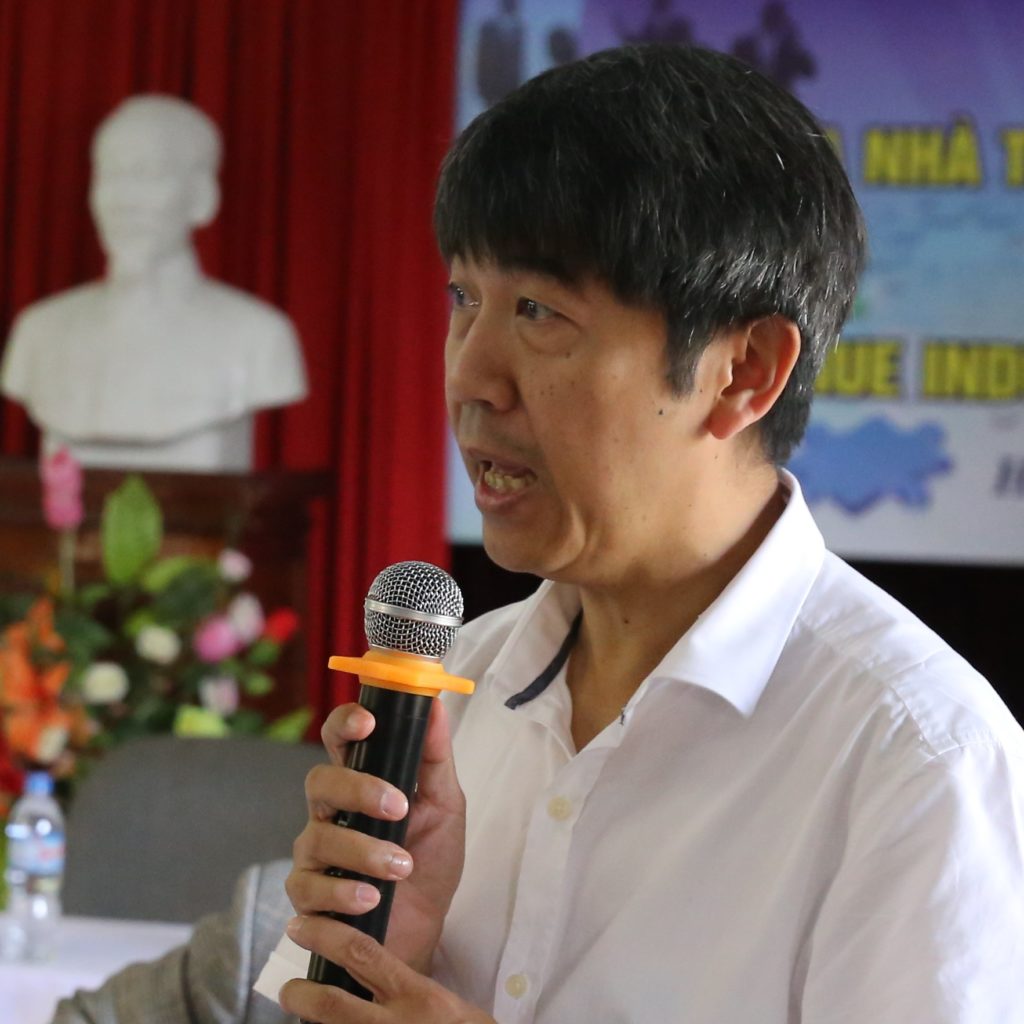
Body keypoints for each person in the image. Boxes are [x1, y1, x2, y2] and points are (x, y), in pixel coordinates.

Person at [54, 43, 1024, 1024]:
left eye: (538, 312)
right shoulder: (458, 686)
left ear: (743, 372)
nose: (469, 376)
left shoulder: (918, 760)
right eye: (462, 300)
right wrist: (370, 965)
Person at [0, 95, 307, 473]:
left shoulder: (257, 336)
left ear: (203, 197)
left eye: (148, 176)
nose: (125, 201)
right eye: (111, 175)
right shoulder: (40, 331)